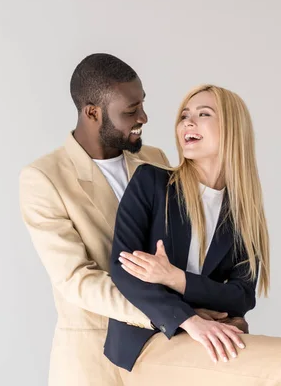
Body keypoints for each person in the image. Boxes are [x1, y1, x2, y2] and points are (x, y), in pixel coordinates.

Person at [19, 54, 246, 386]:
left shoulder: (154, 160)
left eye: (142, 105)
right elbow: (77, 280)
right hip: (92, 360)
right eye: (130, 111)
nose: (143, 117)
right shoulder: (43, 178)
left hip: (169, 351)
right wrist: (176, 316)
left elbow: (187, 249)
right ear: (92, 112)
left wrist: (222, 311)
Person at [104, 84, 281, 385]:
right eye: (184, 115)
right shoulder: (151, 183)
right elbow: (125, 271)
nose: (188, 122)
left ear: (232, 129)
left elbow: (241, 297)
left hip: (206, 341)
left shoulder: (241, 212)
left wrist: (176, 278)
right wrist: (190, 320)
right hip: (148, 345)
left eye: (204, 114)